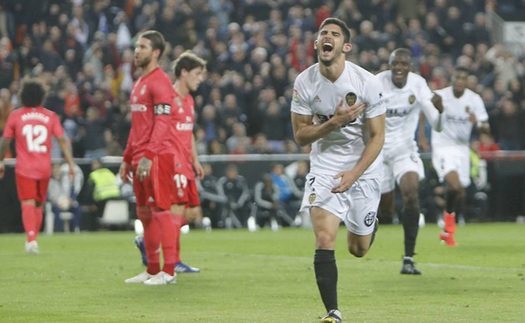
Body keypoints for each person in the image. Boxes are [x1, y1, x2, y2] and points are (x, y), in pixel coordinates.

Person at [291, 18, 385, 323]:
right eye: (322, 35)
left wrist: (354, 174)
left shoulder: (367, 82)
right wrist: (333, 122)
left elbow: (377, 137)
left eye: (333, 34)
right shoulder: (304, 82)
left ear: (345, 46)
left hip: (363, 168)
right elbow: (301, 135)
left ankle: (369, 228)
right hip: (326, 166)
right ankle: (333, 313)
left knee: (358, 249)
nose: (326, 38)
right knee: (324, 237)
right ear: (317, 45)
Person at [133, 50, 206, 274]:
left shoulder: (190, 100)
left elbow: (189, 131)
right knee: (174, 211)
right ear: (183, 73)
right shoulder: (168, 98)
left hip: (186, 163)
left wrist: (195, 159)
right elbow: (159, 128)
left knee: (192, 214)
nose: (200, 79)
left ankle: (149, 240)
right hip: (172, 164)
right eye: (197, 73)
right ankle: (172, 261)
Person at [375, 48, 444, 275]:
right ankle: (369, 228)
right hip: (377, 151)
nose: (399, 68)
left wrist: (440, 112)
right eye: (395, 63)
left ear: (410, 67)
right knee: (385, 212)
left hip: (404, 150)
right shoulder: (377, 83)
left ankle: (408, 258)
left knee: (411, 192)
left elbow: (437, 125)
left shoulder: (418, 83)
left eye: (403, 64)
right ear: (389, 65)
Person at [119, 30, 178, 285]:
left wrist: (148, 155)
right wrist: (127, 156)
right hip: (140, 156)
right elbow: (137, 126)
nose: (137, 51)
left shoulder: (160, 81)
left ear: (156, 52)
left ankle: (170, 271)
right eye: (136, 46)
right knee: (144, 213)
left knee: (161, 211)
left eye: (143, 47)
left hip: (156, 156)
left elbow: (163, 122)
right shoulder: (139, 82)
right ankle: (152, 269)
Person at [0, 79, 75, 254]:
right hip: (44, 168)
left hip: (25, 168)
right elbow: (62, 140)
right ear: (41, 97)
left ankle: (31, 239)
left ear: (23, 96)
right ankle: (34, 238)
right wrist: (71, 164)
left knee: (27, 202)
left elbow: (5, 141)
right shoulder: (50, 116)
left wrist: (1, 161)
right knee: (39, 204)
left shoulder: (15, 115)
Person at [431, 66, 490, 247]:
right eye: (457, 78)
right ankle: (449, 225)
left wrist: (477, 122)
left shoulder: (474, 99)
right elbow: (426, 113)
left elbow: (486, 128)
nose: (459, 81)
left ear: (467, 82)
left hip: (462, 149)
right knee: (455, 186)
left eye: (463, 79)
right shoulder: (440, 96)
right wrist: (424, 137)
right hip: (442, 147)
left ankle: (446, 231)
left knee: (460, 193)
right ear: (452, 79)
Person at [48, 162, 84, 233]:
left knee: (77, 208)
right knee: (56, 210)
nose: (56, 171)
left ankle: (75, 228)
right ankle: (59, 230)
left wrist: (71, 200)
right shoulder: (49, 182)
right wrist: (52, 200)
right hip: (55, 203)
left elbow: (72, 192)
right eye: (54, 169)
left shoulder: (66, 181)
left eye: (58, 169)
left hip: (67, 202)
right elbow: (46, 195)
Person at [86, 158, 121, 231]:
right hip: (117, 198)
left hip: (103, 199)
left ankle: (93, 229)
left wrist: (91, 203)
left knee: (92, 210)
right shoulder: (109, 172)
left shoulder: (93, 175)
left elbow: (90, 192)